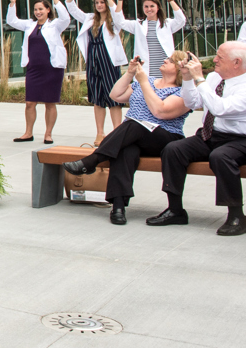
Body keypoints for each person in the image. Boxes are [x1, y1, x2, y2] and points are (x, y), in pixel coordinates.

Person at [63, 53, 190, 225]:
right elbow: (115, 96)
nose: (165, 59)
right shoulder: (150, 80)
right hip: (132, 135)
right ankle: (118, 207)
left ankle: (92, 160)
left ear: (180, 69)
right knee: (126, 150)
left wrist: (143, 82)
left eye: (171, 60)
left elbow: (160, 111)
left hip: (164, 137)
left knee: (135, 124)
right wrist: (130, 73)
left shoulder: (182, 91)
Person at [147, 43, 246, 237]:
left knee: (220, 157)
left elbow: (220, 109)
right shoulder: (214, 78)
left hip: (240, 139)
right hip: (211, 134)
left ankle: (236, 215)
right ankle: (175, 210)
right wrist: (186, 77)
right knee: (173, 149)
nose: (214, 60)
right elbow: (193, 102)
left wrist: (199, 79)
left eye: (220, 57)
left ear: (237, 62)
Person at [6, 0, 70, 144]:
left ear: (48, 10)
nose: (37, 12)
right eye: (35, 9)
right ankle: (28, 133)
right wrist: (12, 3)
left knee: (50, 102)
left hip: (52, 68)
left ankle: (48, 134)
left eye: (41, 9)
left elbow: (66, 17)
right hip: (33, 68)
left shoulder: (55, 25)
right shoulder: (29, 25)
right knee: (30, 102)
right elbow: (11, 21)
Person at [67, 0, 128, 143]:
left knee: (114, 97)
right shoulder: (90, 19)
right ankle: (100, 133)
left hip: (108, 60)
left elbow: (118, 16)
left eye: (102, 2)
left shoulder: (113, 20)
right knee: (97, 97)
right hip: (93, 60)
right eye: (97, 3)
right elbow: (74, 11)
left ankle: (117, 132)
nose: (100, 5)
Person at [116, 0, 186, 79]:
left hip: (165, 71)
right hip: (147, 72)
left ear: (158, 8)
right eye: (146, 6)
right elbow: (119, 22)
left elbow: (181, 20)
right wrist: (120, 0)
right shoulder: (138, 25)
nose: (149, 9)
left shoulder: (167, 24)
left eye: (152, 6)